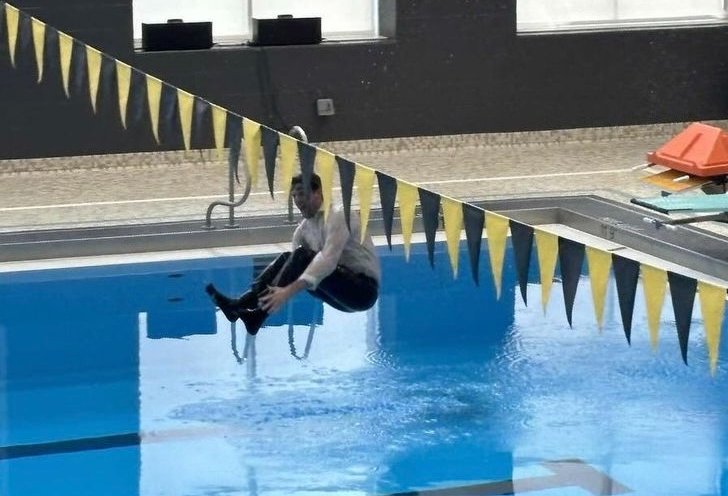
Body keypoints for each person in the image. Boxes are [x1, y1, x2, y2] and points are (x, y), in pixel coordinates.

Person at [206, 172, 381, 335]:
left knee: (301, 256)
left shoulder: (339, 214)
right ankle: (239, 306)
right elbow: (290, 271)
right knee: (287, 258)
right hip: (337, 293)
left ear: (318, 192)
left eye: (301, 194)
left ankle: (256, 315)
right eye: (294, 196)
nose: (297, 200)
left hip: (363, 291)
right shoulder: (302, 230)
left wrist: (287, 292)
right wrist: (278, 290)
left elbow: (328, 260)